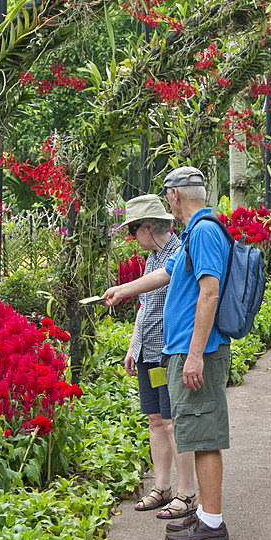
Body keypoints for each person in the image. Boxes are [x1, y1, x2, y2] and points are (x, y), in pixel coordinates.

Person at [104, 166, 232, 540]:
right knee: (196, 433)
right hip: (180, 351)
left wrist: (194, 356)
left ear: (174, 196)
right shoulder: (194, 233)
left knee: (205, 436)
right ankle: (206, 515)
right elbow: (164, 276)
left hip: (199, 354)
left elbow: (210, 293)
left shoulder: (204, 231)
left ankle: (211, 523)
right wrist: (122, 290)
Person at [120, 194, 197, 520]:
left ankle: (187, 492)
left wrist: (123, 289)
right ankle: (162, 487)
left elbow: (163, 280)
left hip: (168, 354)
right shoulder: (152, 258)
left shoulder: (177, 254)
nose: (132, 237)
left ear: (149, 226)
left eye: (133, 229)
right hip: (148, 354)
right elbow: (145, 308)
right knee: (155, 420)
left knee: (171, 422)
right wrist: (132, 345)